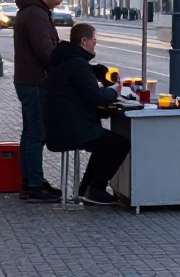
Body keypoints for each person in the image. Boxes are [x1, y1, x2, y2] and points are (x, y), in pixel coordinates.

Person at [43, 24, 129, 205]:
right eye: (94, 41)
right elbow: (96, 97)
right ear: (84, 41)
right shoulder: (78, 64)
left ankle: (87, 188)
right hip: (71, 128)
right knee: (119, 144)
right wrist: (115, 91)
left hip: (61, 125)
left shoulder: (66, 60)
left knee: (105, 143)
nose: (94, 45)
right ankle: (96, 188)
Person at [12, 0, 70, 202]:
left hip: (30, 80)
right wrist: (66, 57)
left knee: (31, 133)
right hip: (35, 82)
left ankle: (31, 181)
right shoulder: (36, 14)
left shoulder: (36, 11)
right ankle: (33, 185)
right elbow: (46, 52)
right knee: (36, 134)